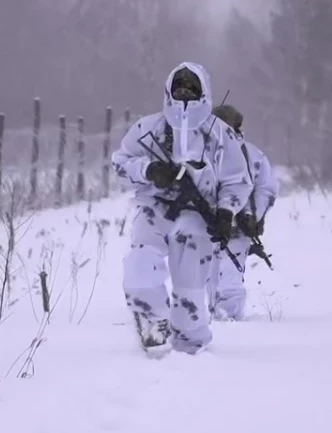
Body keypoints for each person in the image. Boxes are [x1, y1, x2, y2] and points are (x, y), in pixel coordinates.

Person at [111, 62, 252, 355]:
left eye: (191, 88)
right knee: (140, 267)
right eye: (178, 88)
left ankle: (191, 350)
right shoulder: (148, 128)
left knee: (189, 289)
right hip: (154, 208)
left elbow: (237, 179)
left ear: (203, 92)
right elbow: (120, 161)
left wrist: (226, 212)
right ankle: (152, 323)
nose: (184, 93)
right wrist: (149, 170)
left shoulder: (219, 134)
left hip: (198, 218)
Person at [206, 104, 278, 321]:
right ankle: (205, 318)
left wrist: (251, 216)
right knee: (202, 278)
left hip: (238, 229)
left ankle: (229, 322)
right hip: (204, 227)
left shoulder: (253, 156)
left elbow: (264, 188)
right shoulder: (201, 153)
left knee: (229, 278)